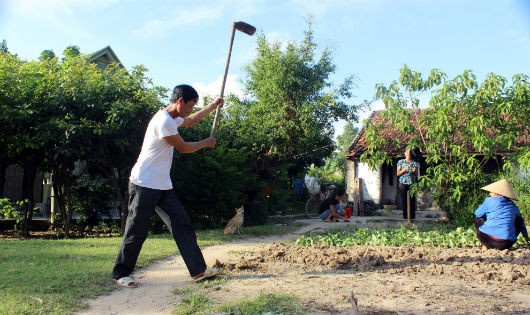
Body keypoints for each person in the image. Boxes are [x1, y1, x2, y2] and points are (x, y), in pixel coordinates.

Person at [112, 84, 224, 287]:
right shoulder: (163, 121)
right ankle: (121, 273)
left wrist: (212, 105)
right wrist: (205, 143)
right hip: (144, 184)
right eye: (190, 105)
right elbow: (183, 148)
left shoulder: (172, 117)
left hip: (162, 185)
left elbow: (190, 121)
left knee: (182, 224)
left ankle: (198, 271)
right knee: (137, 229)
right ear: (180, 101)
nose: (190, 109)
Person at [474, 179, 530, 250]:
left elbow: (478, 213)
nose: (490, 193)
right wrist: (526, 236)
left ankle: (485, 245)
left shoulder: (489, 201)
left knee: (478, 218)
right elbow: (521, 224)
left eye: (492, 192)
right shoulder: (514, 206)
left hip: (487, 239)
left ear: (497, 193)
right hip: (506, 243)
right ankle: (505, 246)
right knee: (519, 220)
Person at [396, 149, 419, 220]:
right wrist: (404, 169)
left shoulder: (414, 163)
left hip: (412, 183)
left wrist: (414, 171)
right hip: (403, 183)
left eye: (410, 152)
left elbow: (416, 174)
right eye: (407, 152)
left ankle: (412, 216)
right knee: (404, 200)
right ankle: (405, 216)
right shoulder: (401, 162)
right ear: (405, 154)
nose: (408, 153)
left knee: (412, 200)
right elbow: (398, 173)